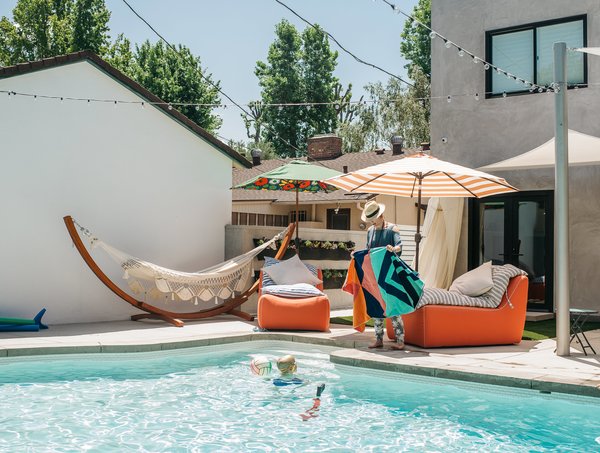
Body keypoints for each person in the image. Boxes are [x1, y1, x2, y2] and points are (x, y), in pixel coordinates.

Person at [361, 200, 405, 351]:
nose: (372, 222)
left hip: (390, 274)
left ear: (381, 216)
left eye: (373, 219)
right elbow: (368, 250)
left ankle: (400, 341)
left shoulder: (393, 229)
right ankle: (379, 339)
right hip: (375, 273)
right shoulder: (370, 231)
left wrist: (393, 248)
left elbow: (400, 247)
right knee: (377, 305)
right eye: (370, 220)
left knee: (393, 306)